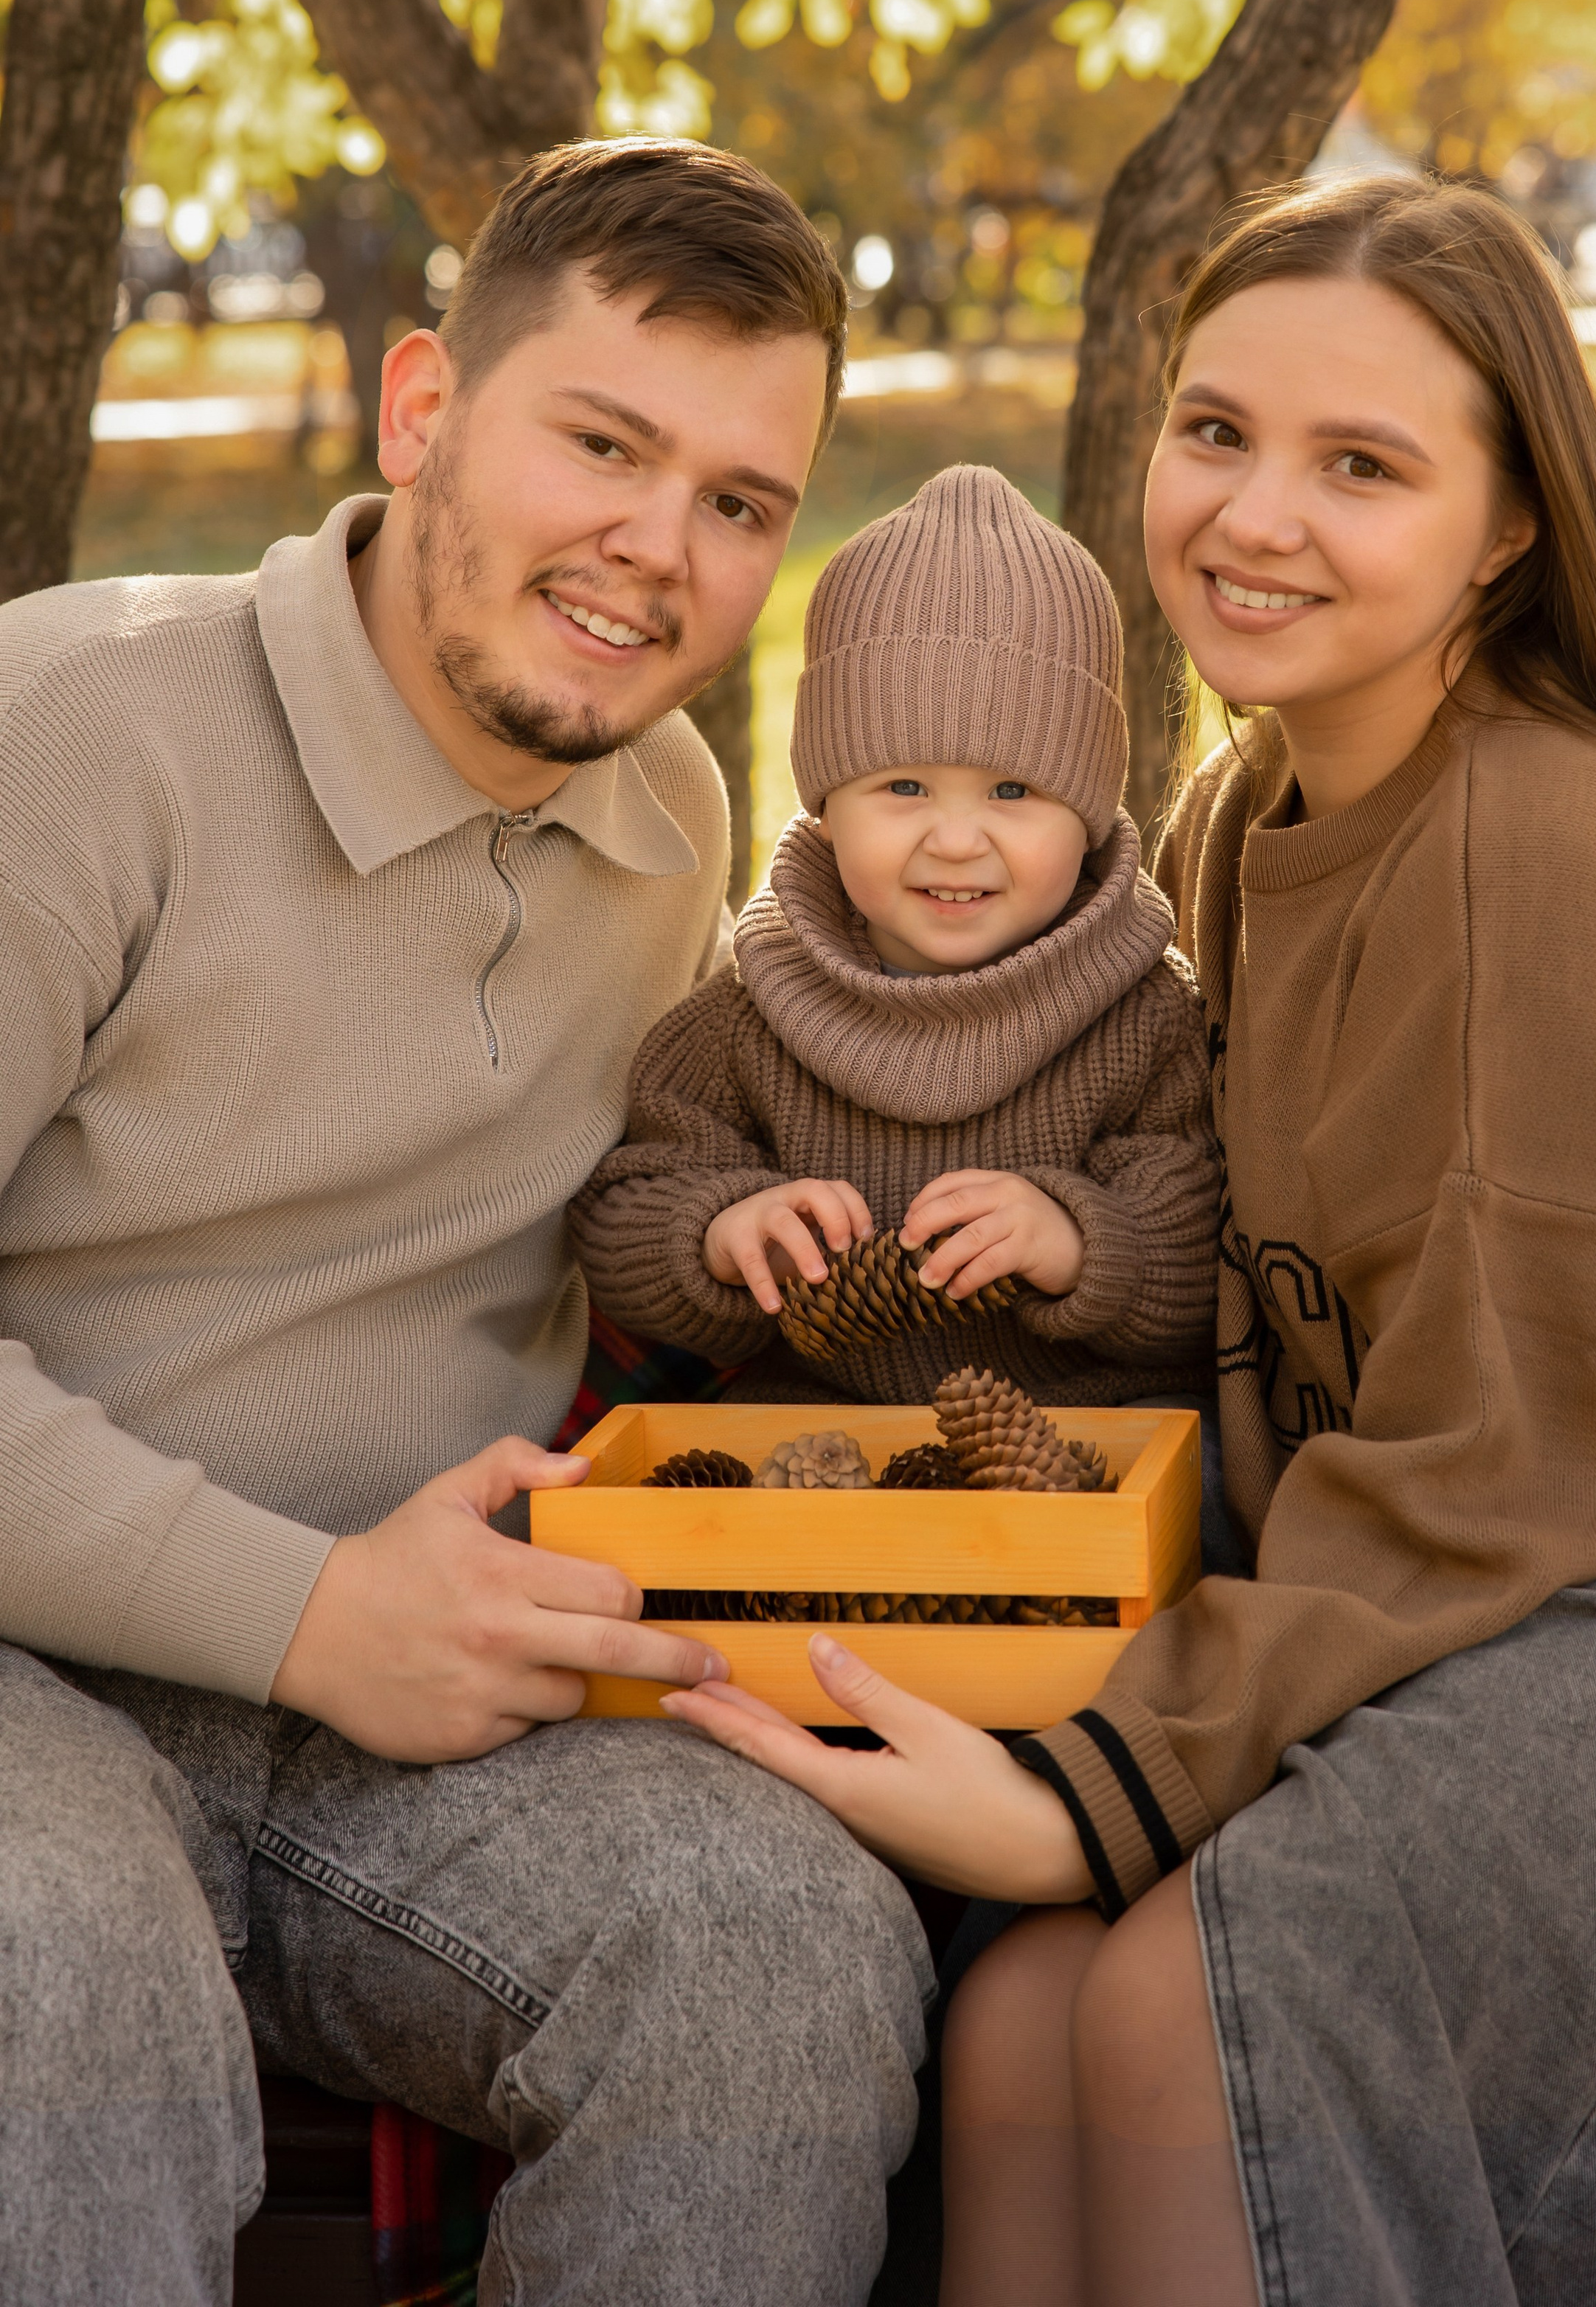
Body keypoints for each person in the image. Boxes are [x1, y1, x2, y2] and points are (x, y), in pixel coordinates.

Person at [662, 170, 1596, 2307]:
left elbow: (1509, 1465)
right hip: (1528, 1573)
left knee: (1187, 1993)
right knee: (1029, 2003)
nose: (1255, 515)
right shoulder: (1255, 810)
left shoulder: (1544, 850)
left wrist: (1098, 1783)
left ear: (1508, 528)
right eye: (1215, 431)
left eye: (1364, 466)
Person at [0, 137, 933, 2307]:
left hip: (419, 1713)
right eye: (599, 443)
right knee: (52, 1978)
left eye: (738, 501)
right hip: (34, 1671)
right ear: (423, 409)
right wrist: (310, 1610)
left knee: (779, 1955)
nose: (657, 553)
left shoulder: (673, 815)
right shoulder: (76, 735)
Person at [573, 463, 1219, 1416]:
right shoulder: (757, 1007)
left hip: (1083, 1437)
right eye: (903, 787)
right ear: (826, 806)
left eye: (1013, 790)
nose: (956, 839)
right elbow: (626, 1205)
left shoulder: (1143, 1011)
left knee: (1194, 1493)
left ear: (1088, 816)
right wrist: (718, 1231)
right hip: (826, 1437)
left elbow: (1207, 1248)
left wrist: (1081, 1240)